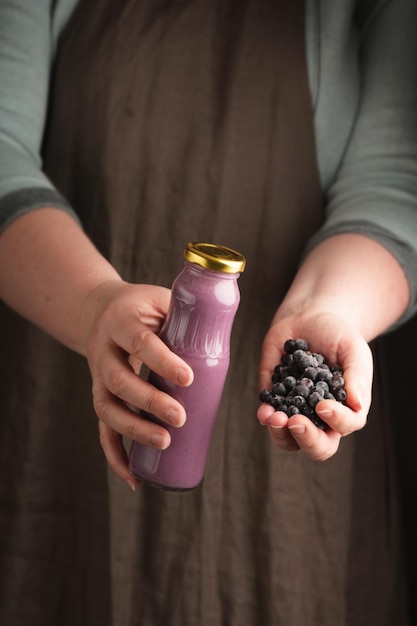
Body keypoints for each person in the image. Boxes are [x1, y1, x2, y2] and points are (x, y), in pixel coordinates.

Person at [0, 0, 416, 624]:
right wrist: (93, 307)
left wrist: (330, 306)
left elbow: (394, 185)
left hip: (285, 488)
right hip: (69, 396)